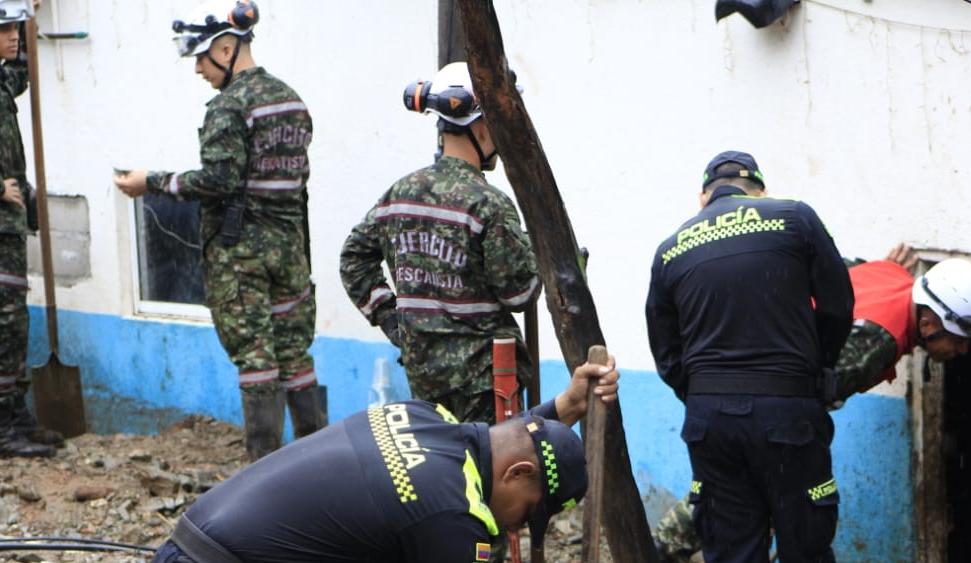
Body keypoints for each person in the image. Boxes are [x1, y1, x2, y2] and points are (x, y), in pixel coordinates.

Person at [653, 244, 971, 561]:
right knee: (751, 500)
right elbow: (801, 398)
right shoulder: (875, 342)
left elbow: (832, 275)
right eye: (960, 340)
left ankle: (660, 547)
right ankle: (661, 547)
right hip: (756, 398)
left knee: (736, 498)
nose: (962, 350)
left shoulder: (891, 274)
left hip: (736, 371)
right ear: (929, 322)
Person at [150, 355, 620, 563]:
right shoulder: (452, 518)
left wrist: (563, 408)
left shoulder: (421, 416)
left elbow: (495, 441)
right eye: (526, 513)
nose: (514, 527)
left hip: (191, 541)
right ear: (519, 475)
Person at [113, 1, 324, 460]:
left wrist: (152, 181)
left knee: (255, 359)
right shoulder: (291, 99)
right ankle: (317, 463)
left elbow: (219, 181)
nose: (197, 70)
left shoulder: (229, 107)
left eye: (201, 58)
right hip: (289, 249)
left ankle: (262, 471)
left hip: (241, 252)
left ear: (227, 48)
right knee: (295, 357)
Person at [645, 150, 854, 563]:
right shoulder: (794, 218)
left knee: (731, 550)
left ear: (703, 198)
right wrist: (816, 371)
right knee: (805, 547)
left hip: (711, 425)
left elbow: (665, 348)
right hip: (787, 414)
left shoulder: (670, 250)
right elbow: (837, 305)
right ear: (759, 191)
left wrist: (703, 394)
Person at [340, 61, 540, 424]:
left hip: (424, 379)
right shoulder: (488, 204)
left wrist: (393, 320)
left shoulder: (400, 194)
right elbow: (519, 294)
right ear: (480, 128)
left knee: (441, 471)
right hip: (486, 385)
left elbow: (354, 259)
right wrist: (534, 255)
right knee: (489, 474)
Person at [0, 0, 61, 459]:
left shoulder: (2, 82)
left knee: (15, 323)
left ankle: (14, 412)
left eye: (13, 29)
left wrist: (28, 12)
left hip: (10, 227)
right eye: (4, 30)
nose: (13, 37)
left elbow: (23, 67)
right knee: (3, 325)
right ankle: (2, 427)